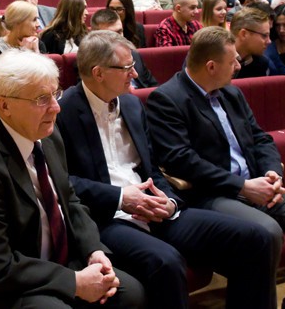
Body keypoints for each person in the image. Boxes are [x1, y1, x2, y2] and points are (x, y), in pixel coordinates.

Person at [57, 30, 273, 308]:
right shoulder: (63, 113)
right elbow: (63, 182)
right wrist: (123, 197)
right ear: (98, 73)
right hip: (107, 217)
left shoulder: (133, 105)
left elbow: (153, 170)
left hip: (155, 208)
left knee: (256, 238)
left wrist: (169, 201)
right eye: (127, 68)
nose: (135, 74)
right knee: (167, 261)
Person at [146, 26, 285, 309]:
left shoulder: (231, 93)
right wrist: (243, 187)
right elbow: (181, 160)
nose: (238, 66)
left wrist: (272, 173)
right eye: (233, 61)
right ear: (211, 66)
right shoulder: (167, 99)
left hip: (257, 185)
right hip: (213, 195)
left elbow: (260, 137)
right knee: (266, 233)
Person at [0, 50, 140, 308]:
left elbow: (69, 200)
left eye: (55, 94)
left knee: (130, 294)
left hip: (49, 264)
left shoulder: (46, 133)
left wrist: (93, 250)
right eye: (42, 99)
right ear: (4, 105)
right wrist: (75, 282)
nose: (56, 107)